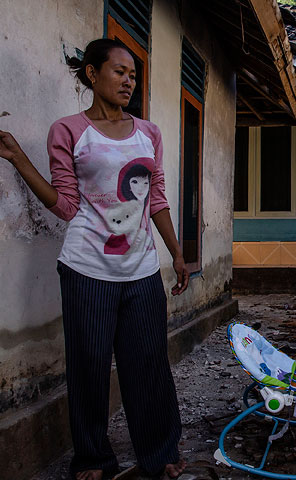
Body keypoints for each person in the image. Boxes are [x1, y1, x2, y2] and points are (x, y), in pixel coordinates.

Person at [0, 39, 187, 480]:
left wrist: (177, 254)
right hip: (86, 267)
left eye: (134, 75)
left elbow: (156, 199)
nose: (129, 81)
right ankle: (94, 458)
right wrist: (17, 158)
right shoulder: (68, 131)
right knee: (89, 367)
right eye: (119, 72)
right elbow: (66, 205)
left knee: (149, 365)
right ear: (92, 74)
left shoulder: (149, 133)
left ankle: (159, 454)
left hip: (141, 269)